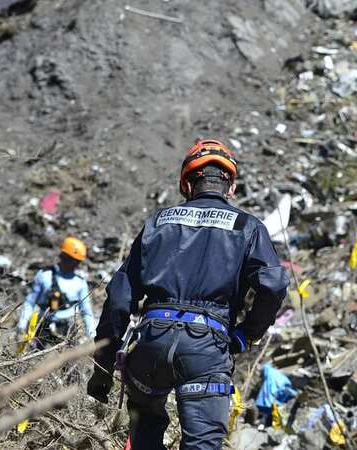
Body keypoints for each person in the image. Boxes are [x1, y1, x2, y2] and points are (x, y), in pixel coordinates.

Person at [87, 139, 289, 450]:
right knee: (202, 443)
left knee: (144, 435)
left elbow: (118, 297)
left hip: (151, 343)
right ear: (230, 186)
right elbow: (273, 285)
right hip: (206, 349)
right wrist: (245, 335)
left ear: (186, 183)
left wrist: (101, 370)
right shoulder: (247, 227)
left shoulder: (159, 222)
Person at [16, 236, 95, 344]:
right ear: (63, 256)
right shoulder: (44, 275)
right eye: (71, 259)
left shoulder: (80, 284)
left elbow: (87, 312)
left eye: (77, 261)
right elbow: (30, 301)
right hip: (42, 325)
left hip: (66, 329)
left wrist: (91, 336)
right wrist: (21, 326)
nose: (74, 263)